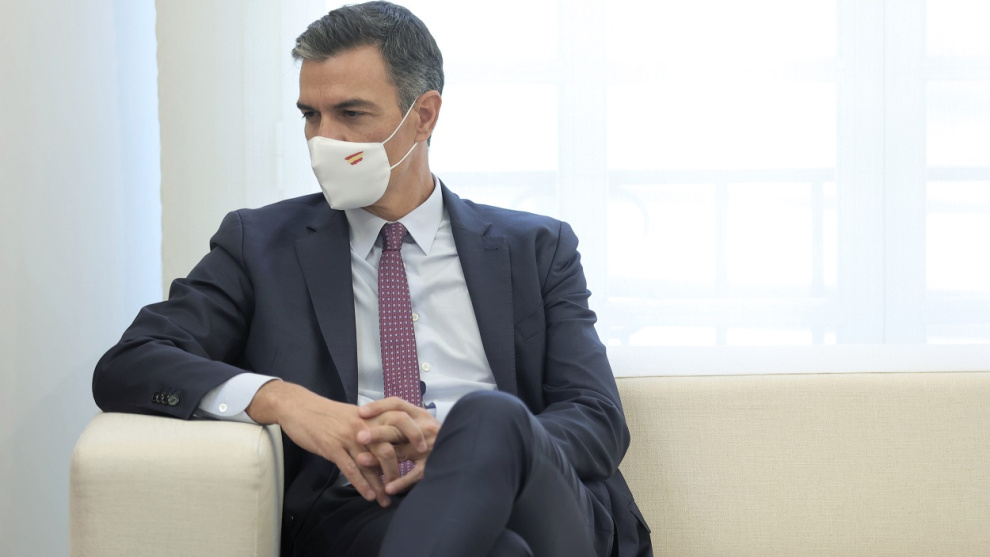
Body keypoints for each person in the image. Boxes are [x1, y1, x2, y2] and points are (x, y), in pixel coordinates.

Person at [93, 2, 652, 556]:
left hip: (537, 504)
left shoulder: (537, 248)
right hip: (362, 513)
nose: (324, 139)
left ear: (424, 115)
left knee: (489, 419)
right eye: (311, 116)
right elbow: (132, 361)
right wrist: (283, 400)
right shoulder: (258, 245)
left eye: (351, 113)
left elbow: (596, 416)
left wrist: (467, 449)